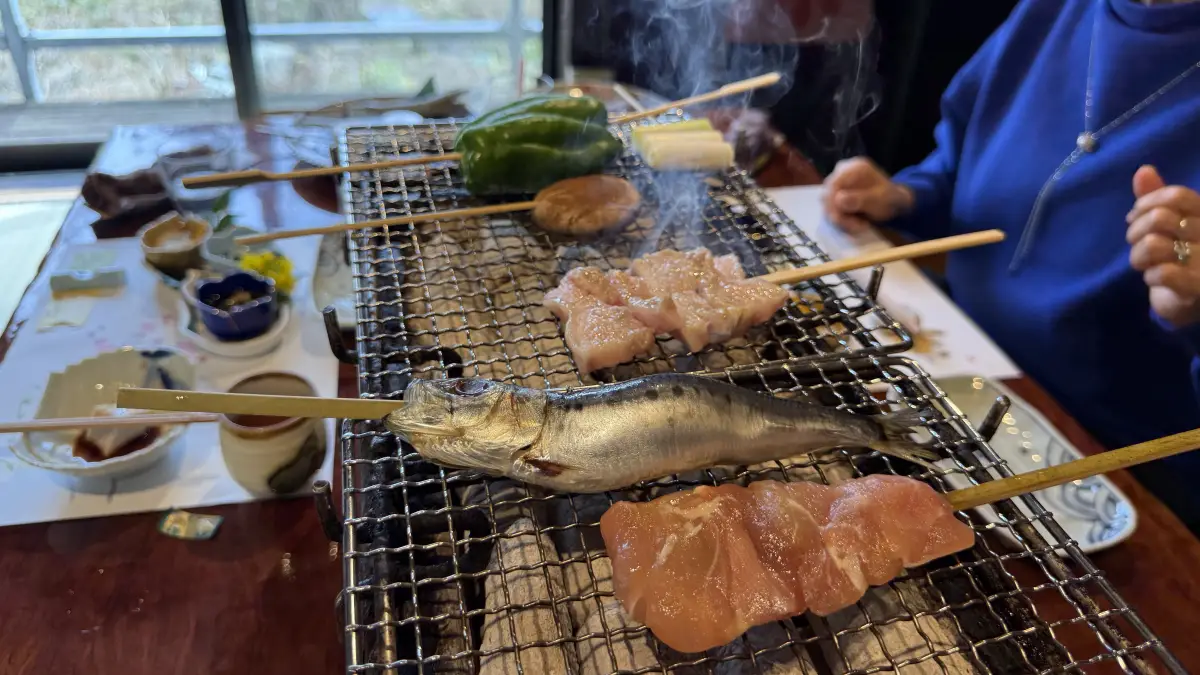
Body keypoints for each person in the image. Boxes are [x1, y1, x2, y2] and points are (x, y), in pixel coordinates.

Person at [822, 0, 1200, 528]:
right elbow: (962, 167)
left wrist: (1194, 310)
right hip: (957, 370)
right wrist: (904, 197)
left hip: (1112, 469)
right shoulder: (1051, 11)